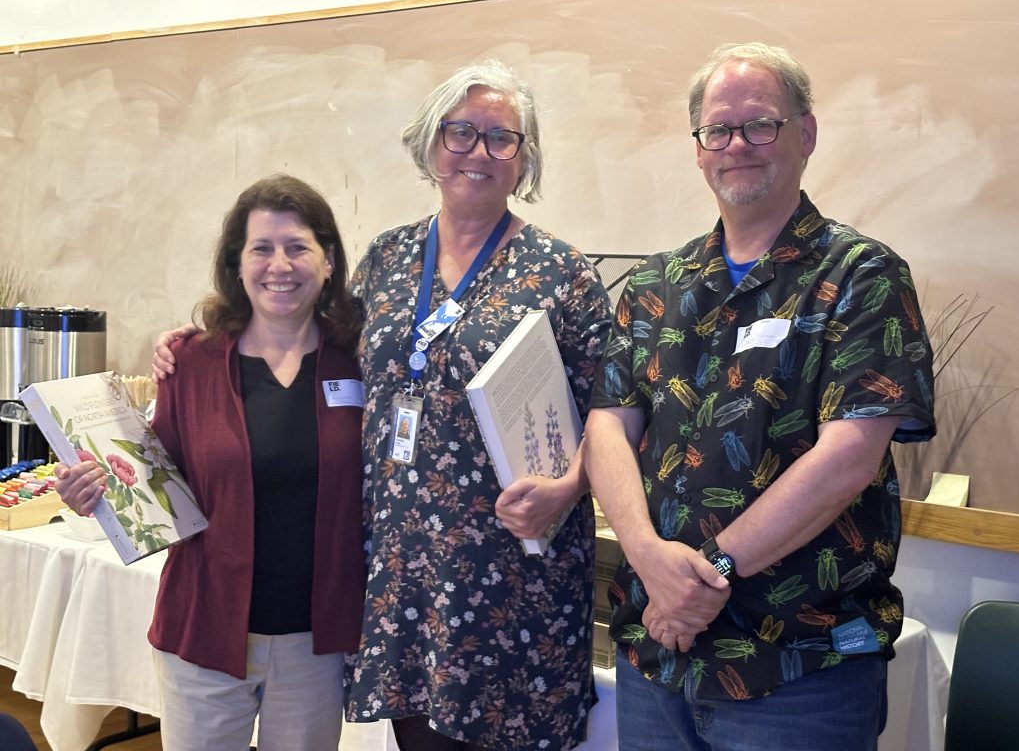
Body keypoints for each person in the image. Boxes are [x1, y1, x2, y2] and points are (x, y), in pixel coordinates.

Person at [153, 62, 611, 750]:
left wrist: (571, 485)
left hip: (514, 573)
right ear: (430, 146)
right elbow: (302, 335)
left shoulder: (563, 272)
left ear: (526, 158)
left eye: (500, 138)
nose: (477, 152)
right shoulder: (389, 260)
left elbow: (614, 409)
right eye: (459, 133)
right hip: (403, 577)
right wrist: (197, 340)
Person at [584, 42, 936, 751]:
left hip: (800, 670)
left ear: (805, 134)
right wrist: (650, 558)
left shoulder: (861, 276)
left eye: (761, 124)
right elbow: (606, 429)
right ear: (699, 149)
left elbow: (848, 460)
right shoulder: (657, 285)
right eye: (719, 129)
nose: (738, 144)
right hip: (659, 661)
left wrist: (707, 574)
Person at [58, 174, 365, 750]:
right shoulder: (189, 363)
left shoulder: (362, 360)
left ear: (328, 262)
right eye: (262, 248)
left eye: (298, 247)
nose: (281, 264)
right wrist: (94, 491)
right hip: (203, 629)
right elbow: (152, 485)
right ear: (237, 263)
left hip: (315, 641)